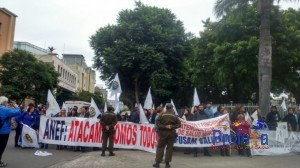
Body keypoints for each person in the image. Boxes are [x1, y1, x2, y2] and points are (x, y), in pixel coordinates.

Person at [153, 103, 181, 168]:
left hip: (163, 133)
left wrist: (164, 126)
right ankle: (167, 164)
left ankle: (157, 163)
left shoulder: (161, 115)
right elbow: (179, 124)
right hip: (171, 133)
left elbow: (157, 123)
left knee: (160, 147)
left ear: (166, 108)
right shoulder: (174, 116)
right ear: (171, 108)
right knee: (169, 148)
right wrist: (172, 126)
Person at [0, 96, 21, 167]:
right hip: (3, 131)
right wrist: (17, 106)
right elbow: (17, 112)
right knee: (1, 147)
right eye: (7, 102)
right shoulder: (4, 109)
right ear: (4, 102)